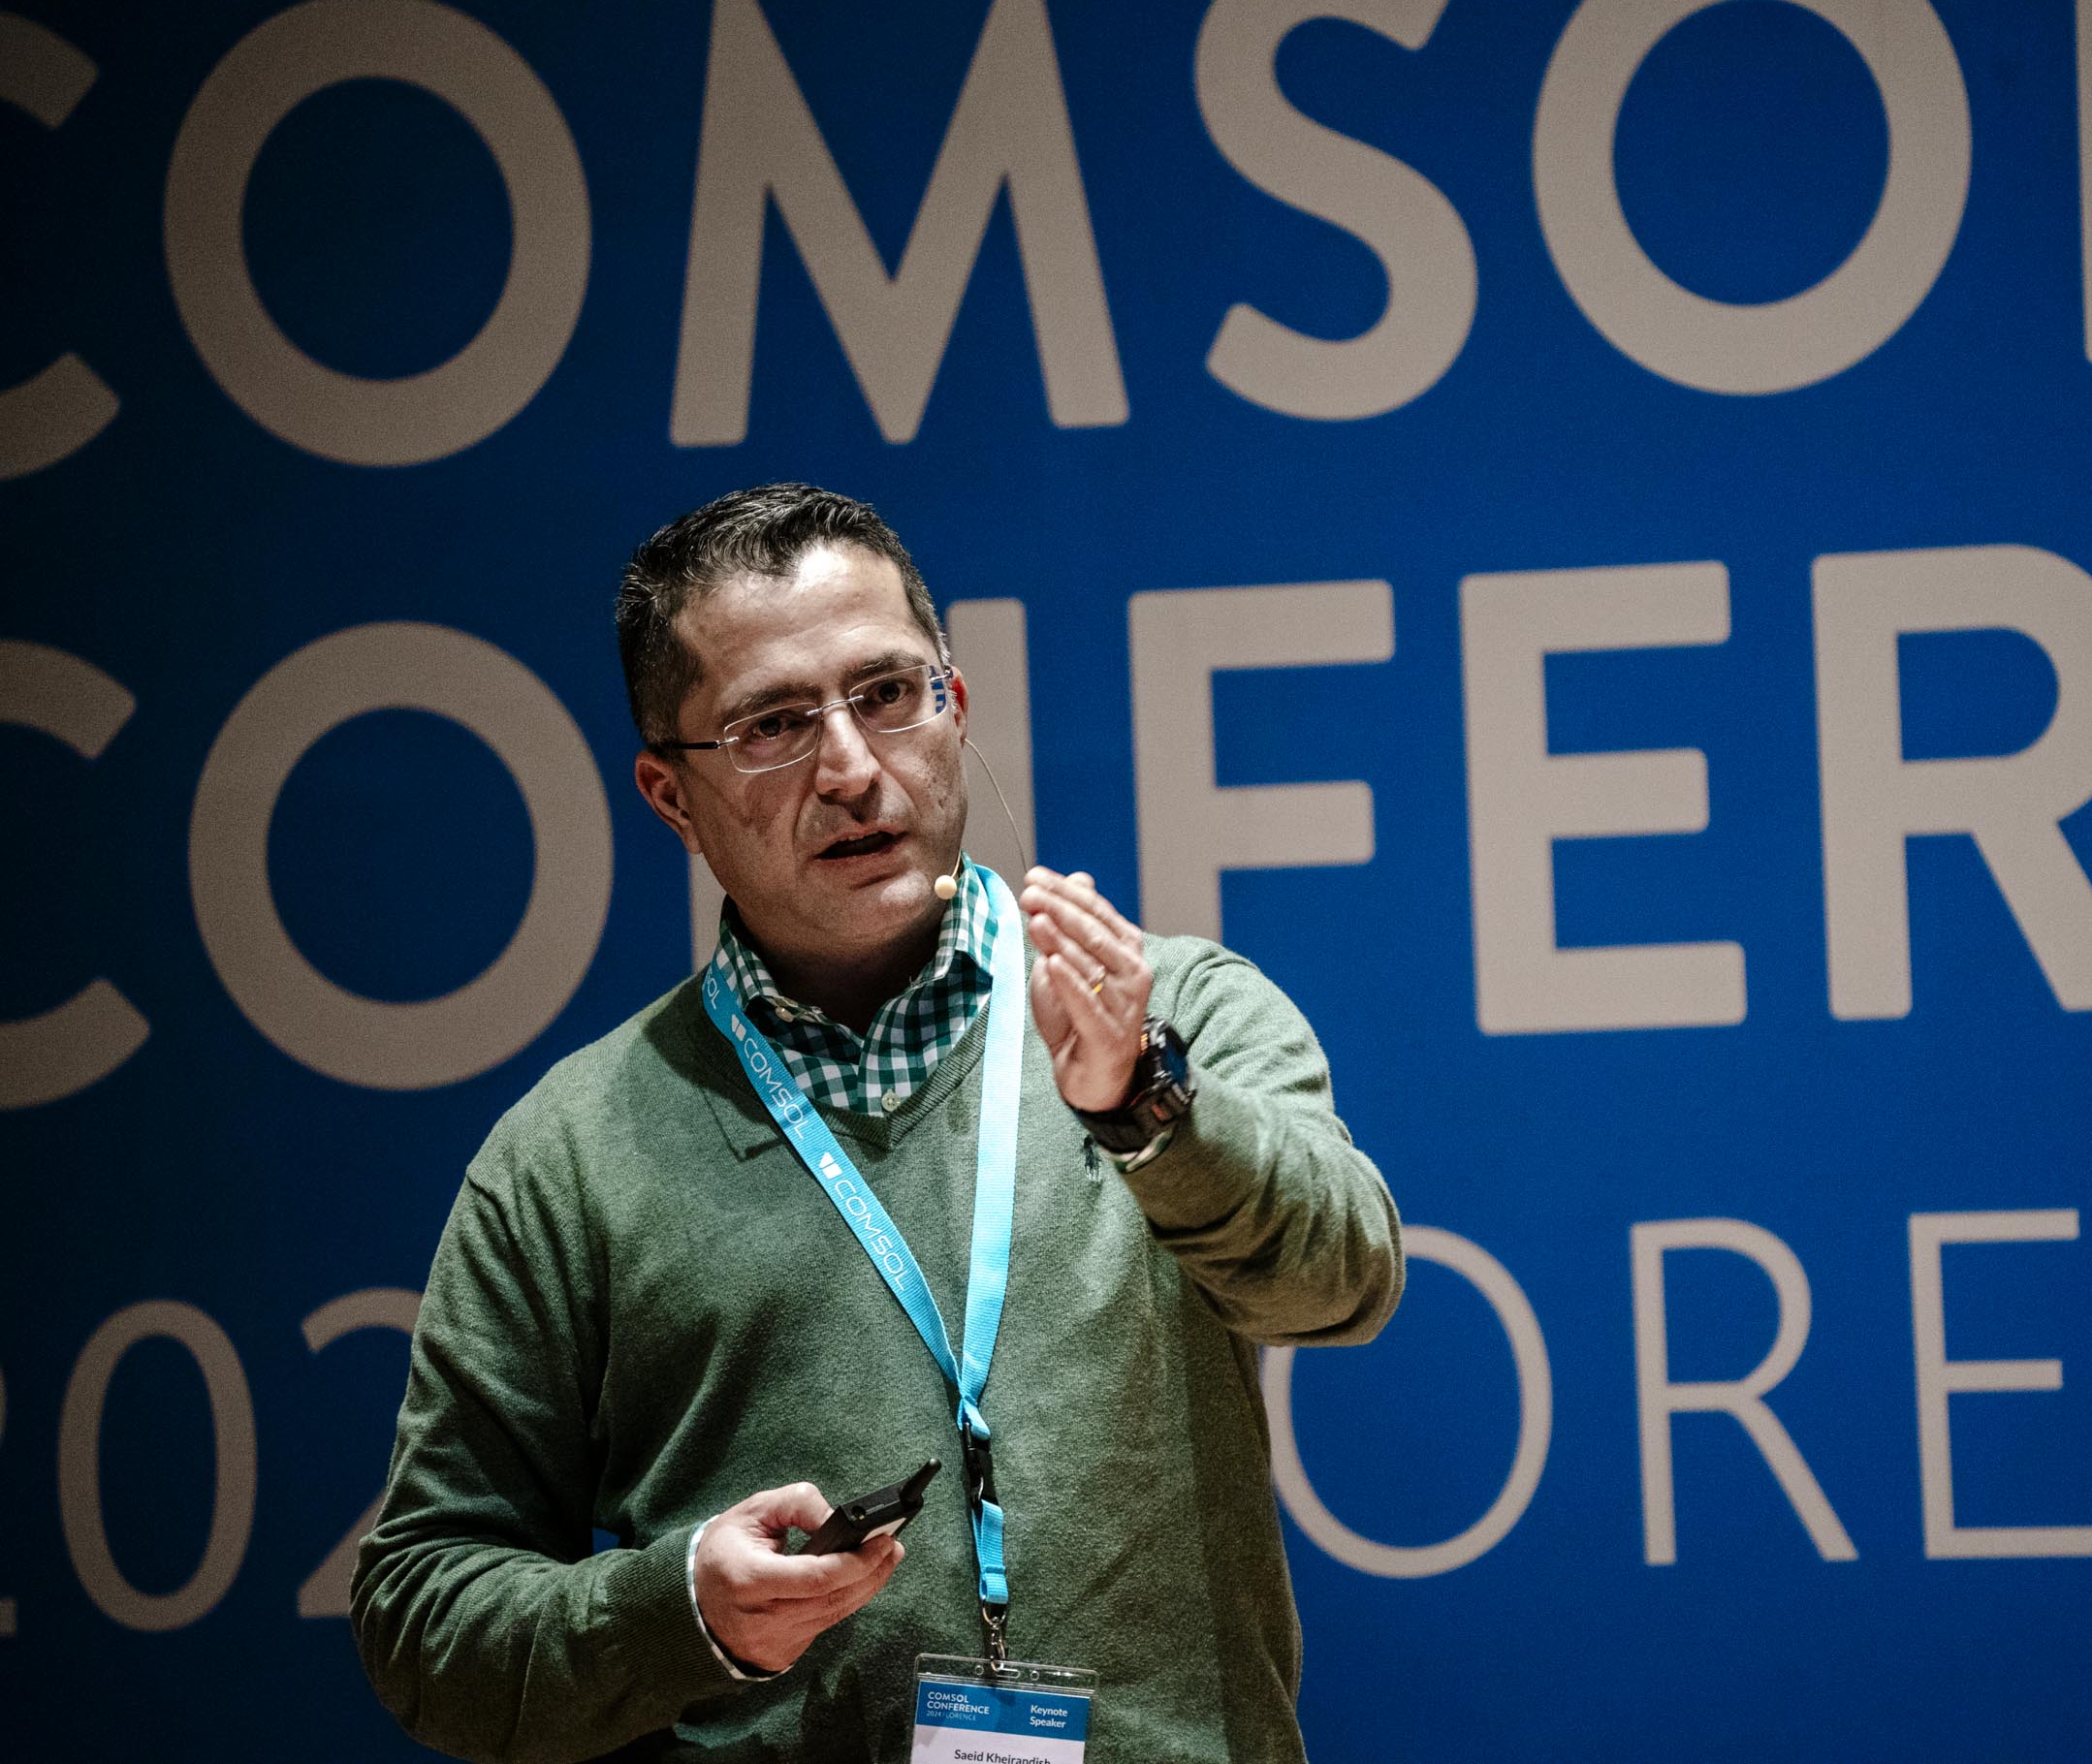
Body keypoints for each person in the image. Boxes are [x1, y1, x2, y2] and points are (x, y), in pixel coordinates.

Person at [351, 483, 1405, 1763]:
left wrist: (1145, 1107)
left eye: (888, 693)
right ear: (671, 796)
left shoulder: (1169, 1016)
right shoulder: (566, 1157)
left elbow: (1343, 1285)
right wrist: (678, 1612)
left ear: (954, 706)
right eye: (772, 726)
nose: (851, 768)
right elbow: (423, 1612)